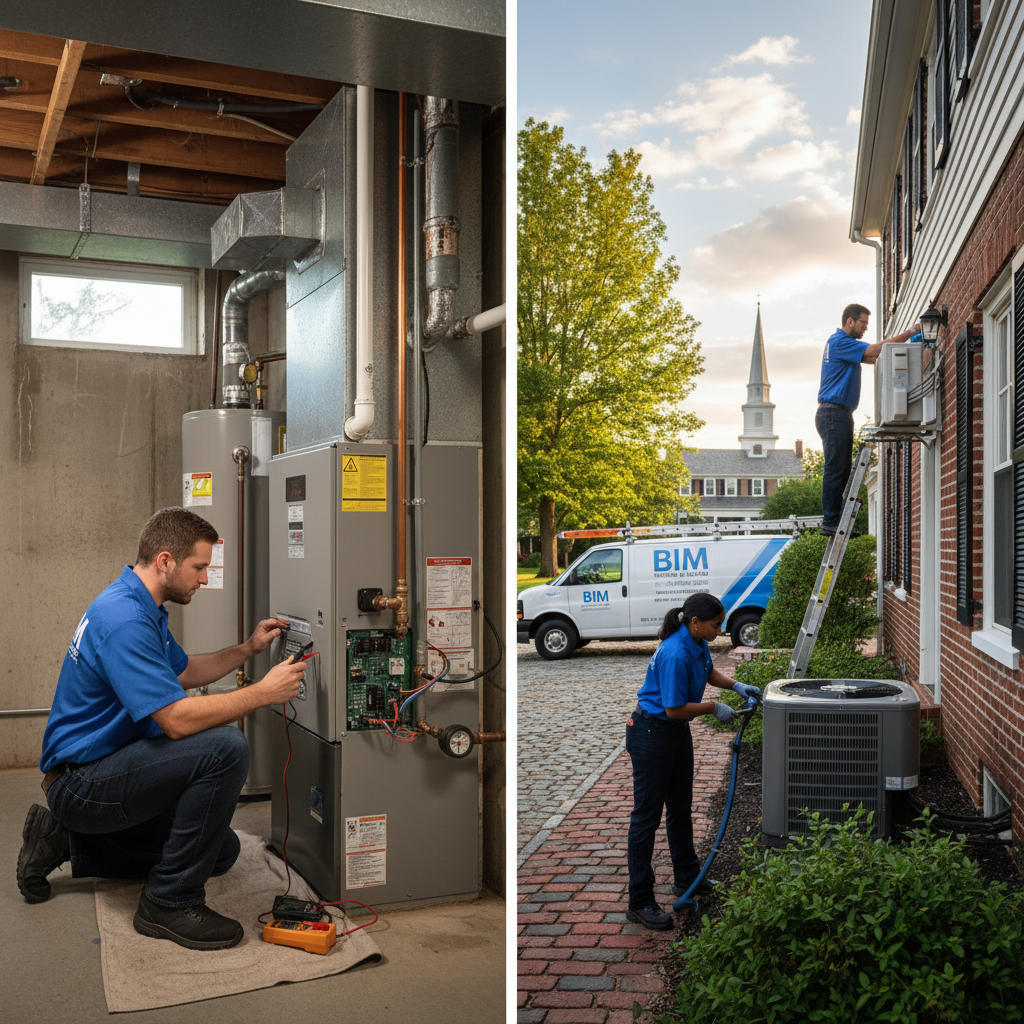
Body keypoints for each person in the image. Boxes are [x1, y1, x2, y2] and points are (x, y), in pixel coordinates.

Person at [15, 507, 306, 951]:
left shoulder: (139, 603)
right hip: (81, 783)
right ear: (165, 561)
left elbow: (185, 671)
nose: (205, 579)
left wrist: (248, 648)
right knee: (226, 747)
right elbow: (174, 720)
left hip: (99, 770)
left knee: (221, 852)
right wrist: (263, 693)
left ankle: (64, 839)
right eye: (200, 567)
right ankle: (168, 902)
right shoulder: (125, 619)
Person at [624, 594, 761, 930]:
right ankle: (639, 901)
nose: (721, 629)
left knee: (681, 809)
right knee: (646, 818)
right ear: (695, 622)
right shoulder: (674, 652)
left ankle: (687, 878)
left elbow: (708, 672)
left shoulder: (696, 642)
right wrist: (713, 707)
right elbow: (673, 708)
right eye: (716, 625)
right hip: (652, 733)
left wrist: (736, 686)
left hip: (673, 733)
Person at [816, 304, 921, 535]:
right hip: (833, 413)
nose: (865, 328)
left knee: (842, 470)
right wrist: (910, 333)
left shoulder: (846, 346)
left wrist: (910, 348)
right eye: (863, 323)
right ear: (850, 321)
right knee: (835, 469)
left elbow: (875, 358)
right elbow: (874, 351)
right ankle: (831, 521)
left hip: (838, 413)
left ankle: (835, 519)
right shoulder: (839, 341)